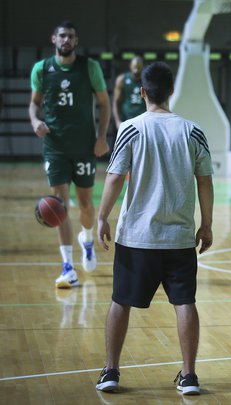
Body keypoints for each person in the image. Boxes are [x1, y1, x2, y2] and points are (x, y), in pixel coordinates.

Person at [95, 61, 214, 395]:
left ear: (143, 92)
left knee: (120, 301)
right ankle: (189, 376)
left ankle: (111, 371)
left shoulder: (131, 128)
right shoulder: (193, 131)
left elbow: (115, 177)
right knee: (185, 302)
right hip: (178, 238)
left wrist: (102, 216)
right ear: (172, 90)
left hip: (137, 237)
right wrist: (206, 224)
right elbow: (204, 181)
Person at [28, 21, 111, 288]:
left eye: (71, 37)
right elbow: (34, 103)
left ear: (76, 41)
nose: (66, 40)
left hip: (85, 145)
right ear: (54, 39)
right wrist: (34, 121)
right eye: (62, 35)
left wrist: (101, 137)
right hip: (55, 147)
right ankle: (68, 268)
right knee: (59, 207)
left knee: (85, 204)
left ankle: (87, 239)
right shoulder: (41, 69)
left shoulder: (89, 67)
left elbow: (104, 103)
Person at [112, 56, 146, 128]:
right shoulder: (122, 79)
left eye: (138, 66)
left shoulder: (146, 80)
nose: (136, 69)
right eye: (135, 66)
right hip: (127, 120)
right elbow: (115, 102)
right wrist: (117, 121)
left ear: (142, 66)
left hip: (143, 121)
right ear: (130, 66)